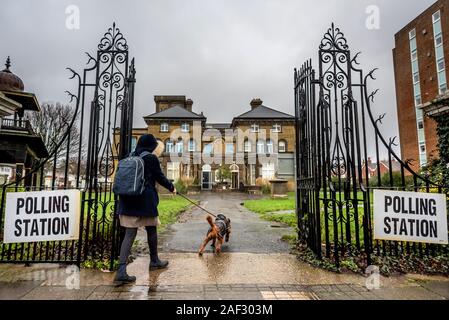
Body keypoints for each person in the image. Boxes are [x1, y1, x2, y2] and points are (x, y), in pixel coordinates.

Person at [114, 134, 176, 284]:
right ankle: (154, 261)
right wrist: (171, 187)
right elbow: (160, 177)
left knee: (129, 234)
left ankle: (121, 271)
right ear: (151, 145)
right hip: (144, 201)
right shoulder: (151, 158)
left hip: (127, 200)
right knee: (151, 229)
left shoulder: (129, 156)